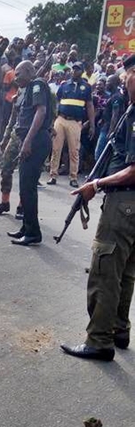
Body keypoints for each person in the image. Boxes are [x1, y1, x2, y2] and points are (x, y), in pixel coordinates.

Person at [60, 54, 135, 362]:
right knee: (126, 270)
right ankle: (118, 329)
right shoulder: (128, 108)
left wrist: (98, 184)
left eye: (128, 77)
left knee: (105, 269)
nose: (126, 82)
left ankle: (99, 340)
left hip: (125, 202)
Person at [7, 60, 52, 246]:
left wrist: (27, 141)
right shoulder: (28, 89)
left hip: (35, 141)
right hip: (33, 140)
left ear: (28, 71)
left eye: (18, 74)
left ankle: (33, 233)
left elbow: (41, 112)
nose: (16, 78)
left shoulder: (37, 85)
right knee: (25, 187)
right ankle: (26, 227)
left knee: (28, 188)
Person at [47, 62, 95, 188]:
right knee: (56, 148)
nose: (74, 71)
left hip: (75, 121)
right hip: (61, 119)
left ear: (82, 71)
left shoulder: (86, 87)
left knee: (74, 150)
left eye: (77, 69)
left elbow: (90, 106)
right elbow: (57, 102)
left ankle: (73, 177)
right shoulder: (64, 85)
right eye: (73, 69)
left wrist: (92, 124)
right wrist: (54, 118)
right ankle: (53, 175)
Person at [0, 86, 26, 219]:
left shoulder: (39, 91)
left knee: (25, 173)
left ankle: (22, 205)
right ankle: (4, 202)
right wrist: (5, 138)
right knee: (6, 168)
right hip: (16, 135)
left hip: (29, 137)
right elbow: (13, 118)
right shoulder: (20, 92)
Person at [94, 75, 126, 160]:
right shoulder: (112, 95)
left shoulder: (116, 97)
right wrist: (102, 119)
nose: (106, 84)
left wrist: (111, 131)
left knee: (99, 154)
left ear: (114, 83)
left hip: (108, 129)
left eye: (108, 81)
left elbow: (115, 115)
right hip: (105, 126)